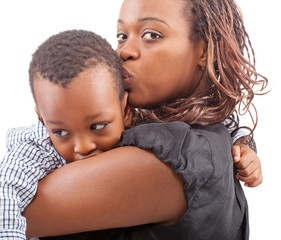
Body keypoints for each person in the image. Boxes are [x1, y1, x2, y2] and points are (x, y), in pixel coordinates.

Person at [22, 0, 268, 239]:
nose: (124, 51)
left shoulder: (176, 155)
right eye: (122, 35)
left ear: (203, 50)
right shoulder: (200, 137)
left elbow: (12, 209)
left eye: (151, 35)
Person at [0, 29, 132, 239]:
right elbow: (5, 193)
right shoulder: (36, 151)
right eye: (61, 132)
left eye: (97, 126)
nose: (82, 146)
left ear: (125, 111)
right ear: (42, 121)